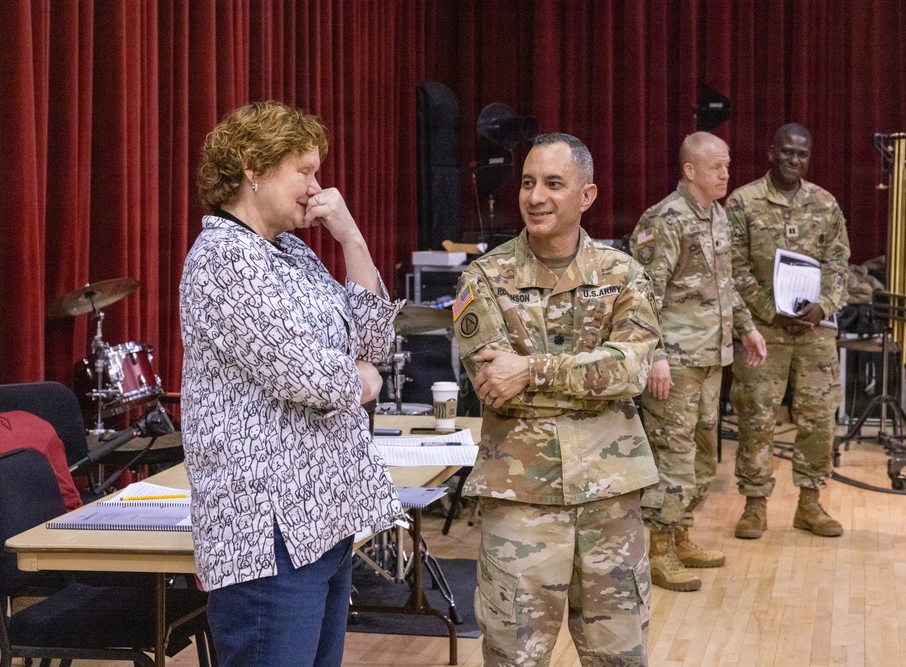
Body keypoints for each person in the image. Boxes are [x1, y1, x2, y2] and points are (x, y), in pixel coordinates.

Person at [179, 100, 404, 667]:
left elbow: (374, 343)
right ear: (253, 165)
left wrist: (351, 237)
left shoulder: (295, 253)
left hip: (323, 520)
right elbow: (312, 376)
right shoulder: (222, 260)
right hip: (265, 535)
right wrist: (361, 381)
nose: (315, 186)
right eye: (303, 170)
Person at [453, 132, 661, 667]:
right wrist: (590, 379)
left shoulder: (623, 275)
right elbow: (494, 384)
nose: (535, 196)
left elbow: (631, 369)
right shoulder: (485, 278)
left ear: (586, 196)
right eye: (527, 183)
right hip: (521, 501)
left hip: (610, 502)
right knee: (513, 657)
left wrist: (533, 369)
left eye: (552, 183)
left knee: (620, 657)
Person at [629, 131, 766, 592]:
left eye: (727, 165)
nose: (725, 174)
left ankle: (682, 535)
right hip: (678, 361)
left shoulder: (717, 215)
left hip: (712, 357)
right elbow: (641, 296)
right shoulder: (664, 220)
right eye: (715, 167)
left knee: (704, 453)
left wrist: (746, 327)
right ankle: (660, 550)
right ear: (690, 171)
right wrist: (657, 356)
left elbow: (724, 285)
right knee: (674, 454)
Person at [726, 122, 850, 540]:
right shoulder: (743, 202)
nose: (794, 161)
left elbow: (838, 264)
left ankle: (810, 504)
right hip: (763, 332)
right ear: (771, 152)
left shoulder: (825, 203)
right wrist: (768, 309)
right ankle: (755, 505)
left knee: (818, 419)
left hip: (815, 332)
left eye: (802, 154)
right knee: (756, 417)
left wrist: (824, 307)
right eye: (787, 153)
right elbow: (733, 267)